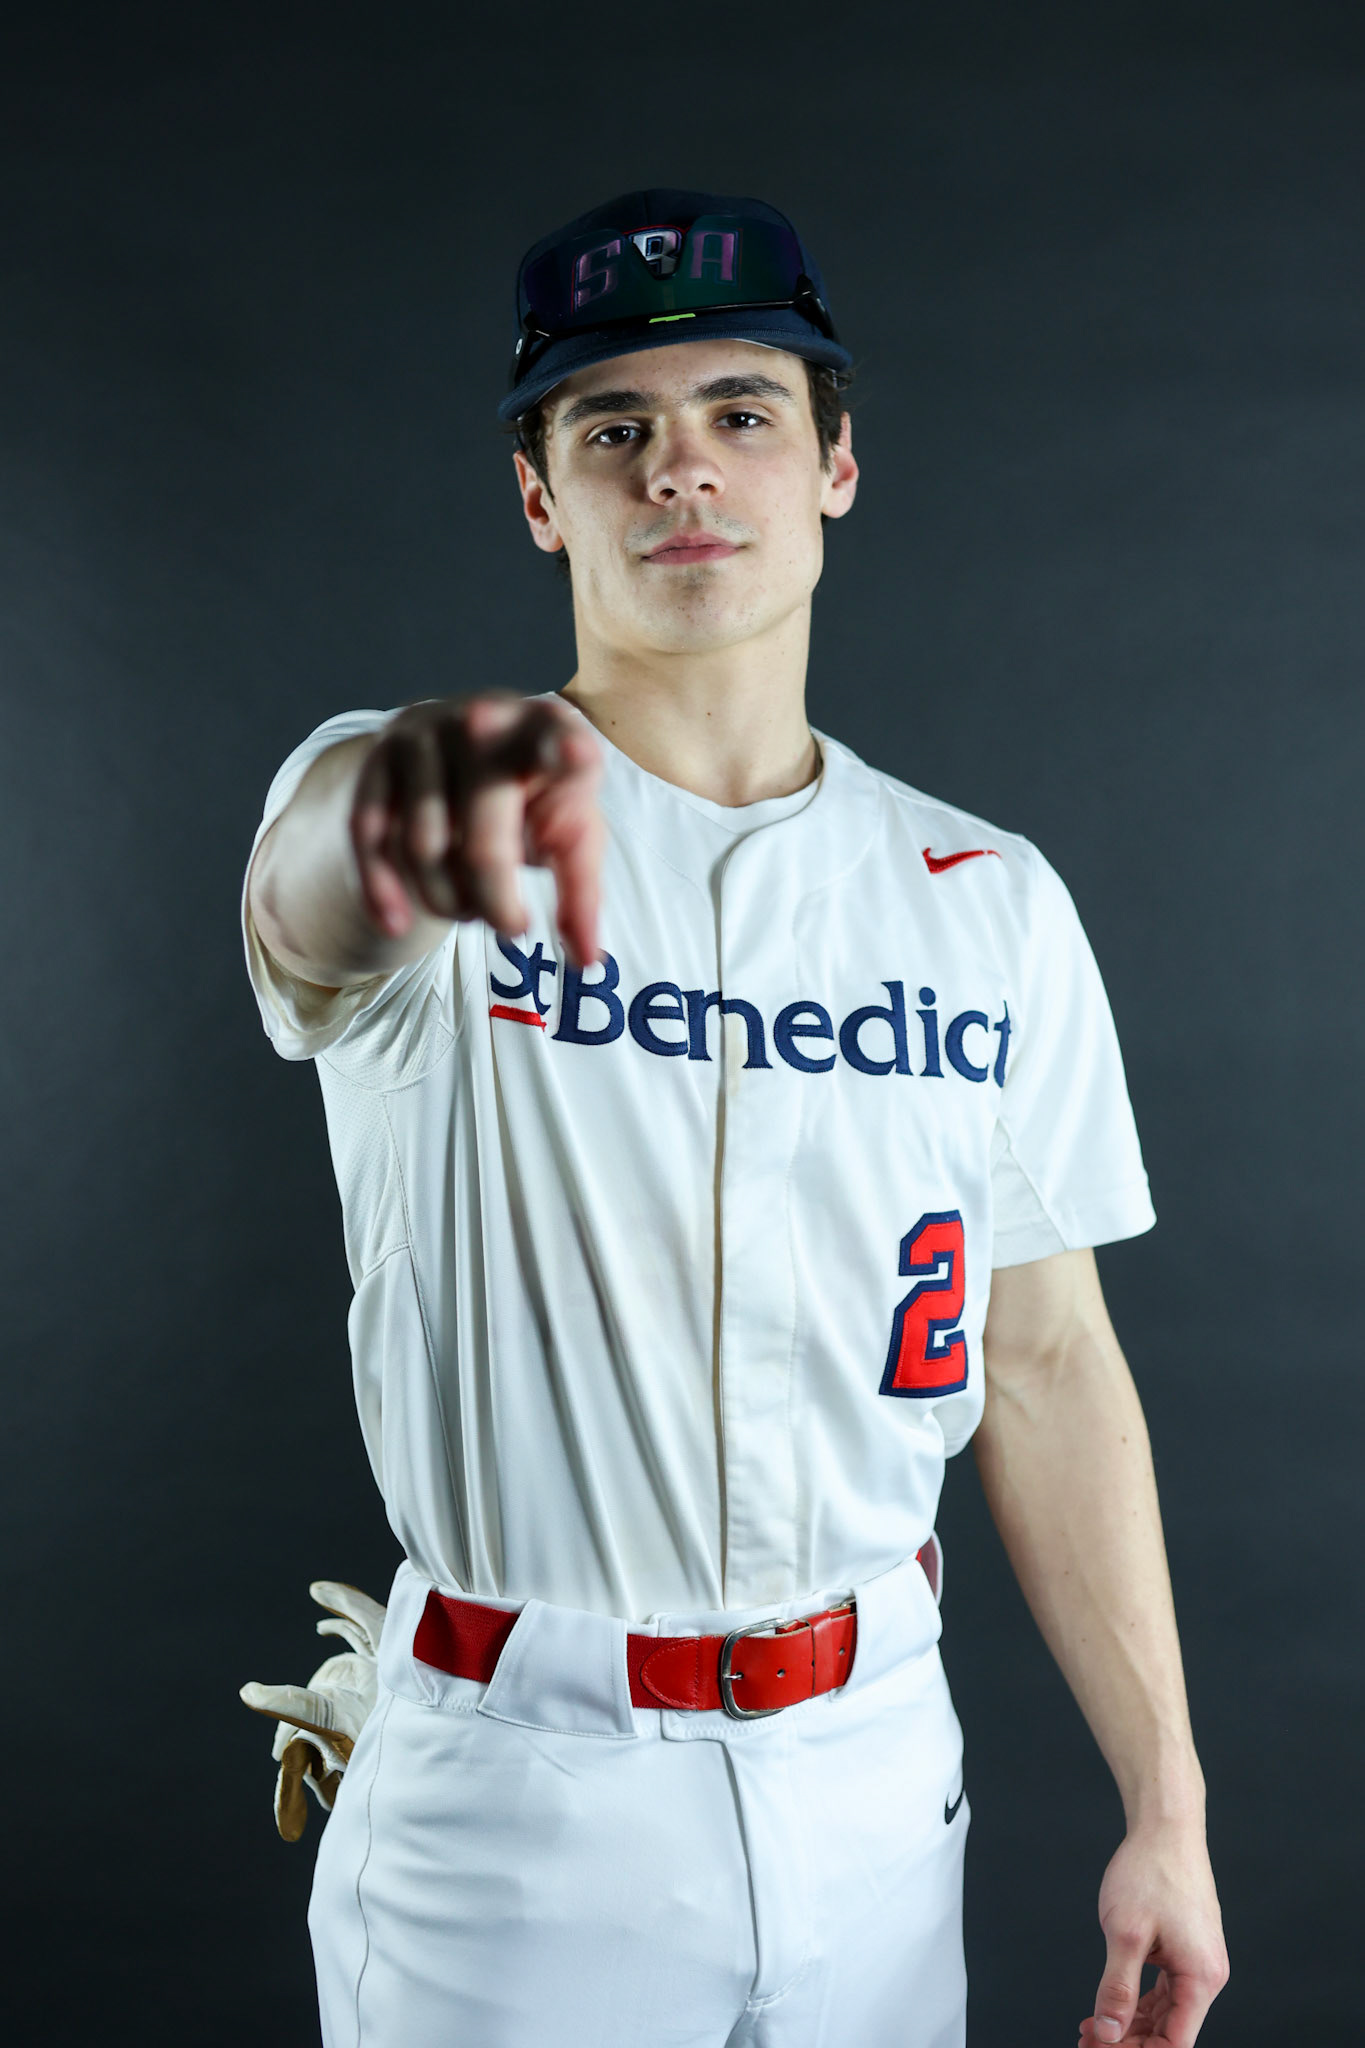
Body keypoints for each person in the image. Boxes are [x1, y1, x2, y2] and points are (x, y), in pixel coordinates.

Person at [239, 189, 1228, 2048]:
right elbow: (309, 901)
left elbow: (1044, 1359)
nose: (679, 466)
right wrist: (389, 825)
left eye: (740, 413)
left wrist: (1162, 1809)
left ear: (835, 465)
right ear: (542, 497)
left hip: (874, 1771)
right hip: (519, 1803)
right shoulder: (419, 808)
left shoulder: (982, 895)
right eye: (612, 427)